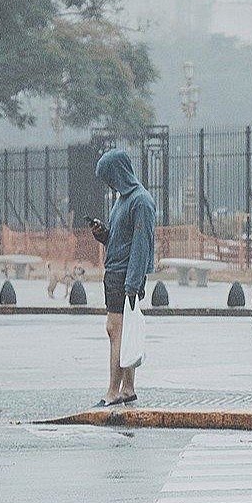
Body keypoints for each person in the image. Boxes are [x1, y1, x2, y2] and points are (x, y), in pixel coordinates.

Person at [89, 149, 156, 407]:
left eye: (109, 177)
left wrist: (132, 283)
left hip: (125, 276)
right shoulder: (123, 201)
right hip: (118, 272)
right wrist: (103, 234)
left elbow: (141, 245)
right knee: (123, 332)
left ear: (119, 172)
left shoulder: (141, 201)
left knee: (114, 331)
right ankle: (127, 388)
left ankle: (113, 391)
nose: (108, 183)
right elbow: (121, 239)